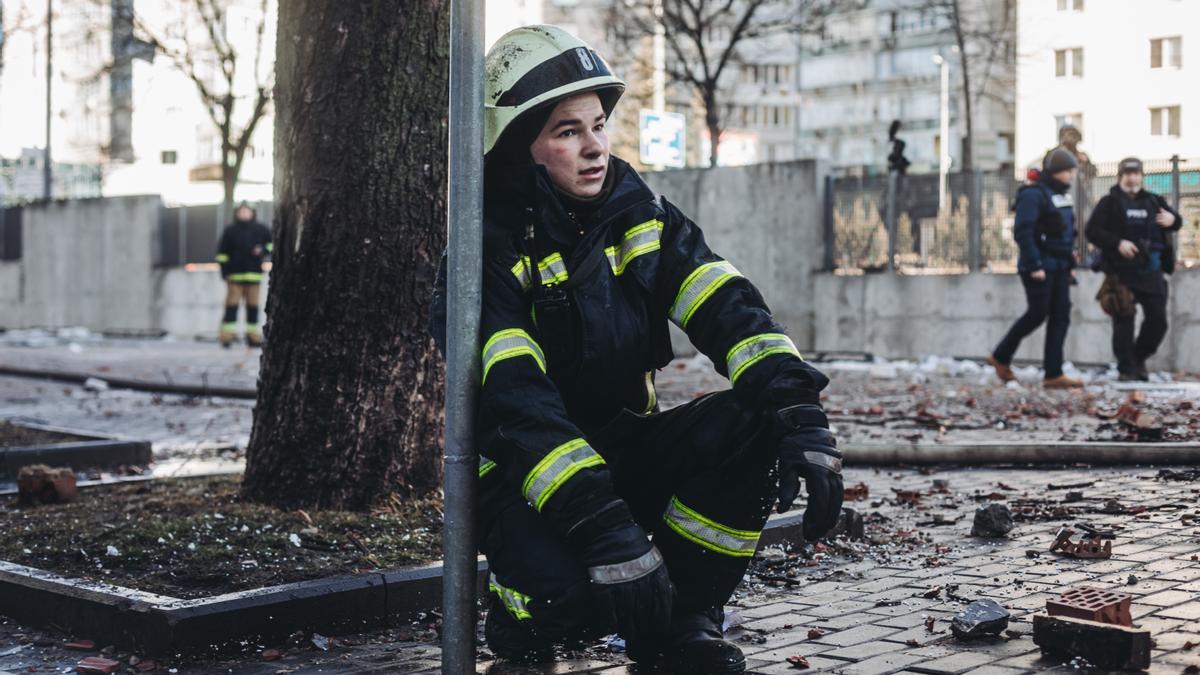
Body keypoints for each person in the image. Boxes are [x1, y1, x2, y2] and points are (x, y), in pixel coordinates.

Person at [457, 25, 843, 673]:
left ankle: (681, 620)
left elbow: (728, 307)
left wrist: (800, 415)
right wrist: (609, 533)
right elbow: (518, 407)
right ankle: (518, 606)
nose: (594, 148)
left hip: (622, 445)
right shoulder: (484, 250)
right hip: (525, 475)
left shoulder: (640, 214)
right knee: (575, 602)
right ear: (516, 146)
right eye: (566, 131)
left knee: (751, 423)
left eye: (599, 124)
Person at [987, 147, 1083, 388]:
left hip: (1060, 265)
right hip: (1039, 266)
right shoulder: (1032, 194)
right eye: (1068, 171)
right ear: (1057, 171)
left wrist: (1070, 263)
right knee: (1037, 313)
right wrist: (1034, 264)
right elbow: (1023, 231)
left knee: (1060, 317)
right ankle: (1000, 356)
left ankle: (1054, 374)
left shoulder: (1061, 195)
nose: (1071, 176)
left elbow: (1066, 232)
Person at [1084, 157, 1183, 381]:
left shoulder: (1154, 201)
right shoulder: (1109, 202)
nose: (1132, 178)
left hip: (1152, 271)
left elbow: (1176, 222)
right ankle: (1126, 369)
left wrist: (1173, 219)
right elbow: (1092, 231)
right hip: (1121, 273)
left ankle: (1138, 359)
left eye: (1136, 173)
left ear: (1141, 176)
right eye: (1128, 174)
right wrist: (1118, 243)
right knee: (1124, 322)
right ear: (1120, 176)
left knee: (1158, 321)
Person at [215, 202, 272, 347]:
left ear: (252, 213)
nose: (244, 214)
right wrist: (224, 271)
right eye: (241, 211)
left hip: (254, 276)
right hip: (235, 276)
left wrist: (263, 250)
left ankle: (253, 337)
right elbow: (222, 253)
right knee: (231, 307)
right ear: (236, 213)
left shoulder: (261, 229)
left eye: (247, 211)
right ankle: (226, 337)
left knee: (253, 307)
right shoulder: (230, 231)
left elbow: (272, 244)